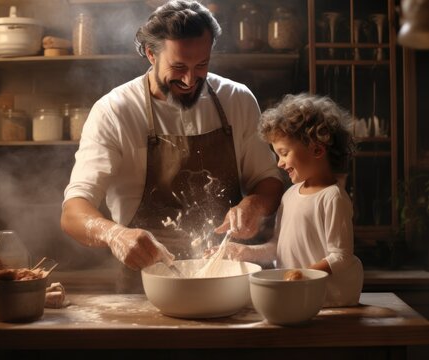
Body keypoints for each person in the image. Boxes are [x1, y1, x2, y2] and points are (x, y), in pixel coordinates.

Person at [61, 0, 283, 293]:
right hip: (146, 285)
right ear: (151, 54)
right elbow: (74, 212)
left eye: (201, 65)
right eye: (178, 67)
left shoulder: (237, 100)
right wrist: (114, 234)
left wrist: (253, 205)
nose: (190, 80)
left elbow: (269, 181)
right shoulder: (114, 112)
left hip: (225, 277)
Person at [221, 93, 364, 307]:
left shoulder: (333, 198)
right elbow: (279, 246)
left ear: (317, 149)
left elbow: (341, 256)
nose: (279, 163)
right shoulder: (289, 196)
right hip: (299, 295)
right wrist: (246, 252)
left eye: (284, 153)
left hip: (330, 299)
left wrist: (300, 275)